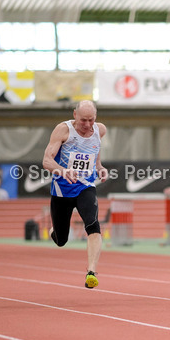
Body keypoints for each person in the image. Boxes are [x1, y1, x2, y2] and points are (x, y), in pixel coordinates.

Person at [41, 100, 108, 288]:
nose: (87, 125)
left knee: (93, 225)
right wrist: (63, 171)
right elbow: (46, 161)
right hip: (62, 190)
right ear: (74, 115)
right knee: (61, 239)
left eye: (91, 120)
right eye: (83, 120)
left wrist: (99, 167)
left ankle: (91, 271)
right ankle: (54, 231)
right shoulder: (63, 131)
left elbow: (95, 151)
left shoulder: (100, 130)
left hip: (85, 186)